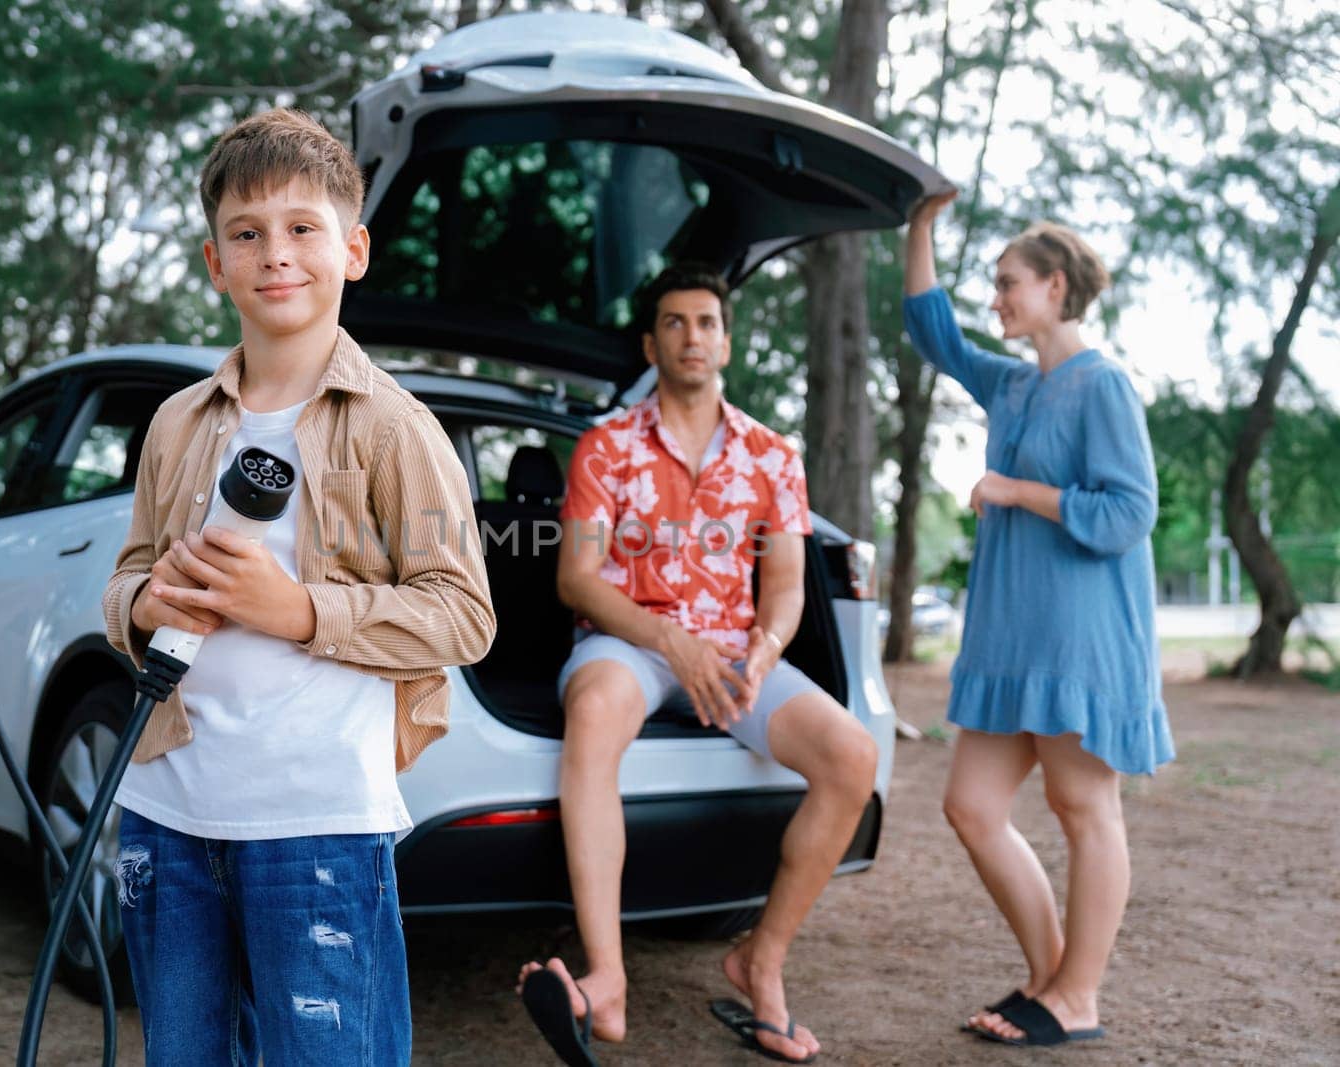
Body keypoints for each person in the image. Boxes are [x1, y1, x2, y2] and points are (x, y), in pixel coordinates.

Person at [102, 108, 495, 1065]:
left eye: (303, 228)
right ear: (214, 262)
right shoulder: (174, 425)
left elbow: (464, 613)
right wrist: (146, 606)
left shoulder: (395, 429)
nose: (276, 253)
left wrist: (301, 610)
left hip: (314, 822)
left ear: (353, 250)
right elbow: (127, 575)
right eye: (247, 233)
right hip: (167, 809)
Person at [515, 264, 879, 1065]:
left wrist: (766, 647)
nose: (691, 336)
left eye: (706, 321)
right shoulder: (606, 445)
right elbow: (577, 578)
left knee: (853, 756)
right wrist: (668, 640)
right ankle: (605, 980)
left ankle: (762, 959)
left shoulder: (771, 454)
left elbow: (783, 582)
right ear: (653, 344)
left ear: (725, 337)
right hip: (627, 641)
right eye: (674, 323)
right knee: (596, 709)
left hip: (733, 648)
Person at [903, 191, 1174, 1047]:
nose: (997, 297)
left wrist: (1015, 490)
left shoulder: (1104, 387)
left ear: (1056, 288)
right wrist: (920, 231)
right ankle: (1053, 972)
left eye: (1009, 283)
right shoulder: (1015, 381)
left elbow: (1131, 510)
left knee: (1083, 806)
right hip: (1012, 637)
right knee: (972, 805)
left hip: (1081, 637)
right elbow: (935, 336)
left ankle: (1077, 996)